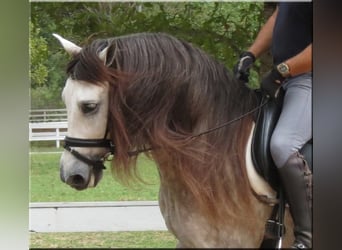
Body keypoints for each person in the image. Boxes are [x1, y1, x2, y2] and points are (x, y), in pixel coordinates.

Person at [233, 3, 312, 249]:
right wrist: (251, 53)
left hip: (314, 78)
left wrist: (281, 72)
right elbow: (281, 14)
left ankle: (309, 236)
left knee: (283, 145)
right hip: (288, 80)